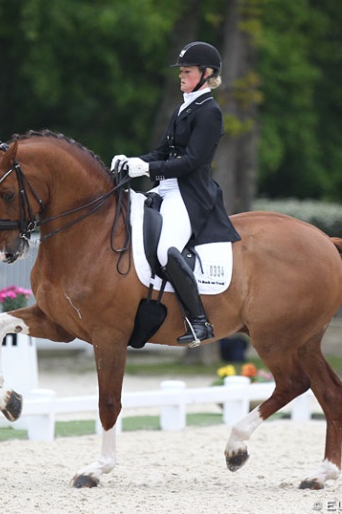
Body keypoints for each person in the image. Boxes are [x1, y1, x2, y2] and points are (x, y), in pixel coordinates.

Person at [112, 41, 240, 345]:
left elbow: (192, 161)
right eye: (181, 71)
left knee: (166, 249)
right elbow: (162, 151)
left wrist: (148, 170)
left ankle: (199, 322)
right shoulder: (184, 106)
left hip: (189, 195)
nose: (181, 76)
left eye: (187, 71)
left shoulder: (210, 112)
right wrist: (135, 162)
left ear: (206, 74)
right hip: (164, 189)